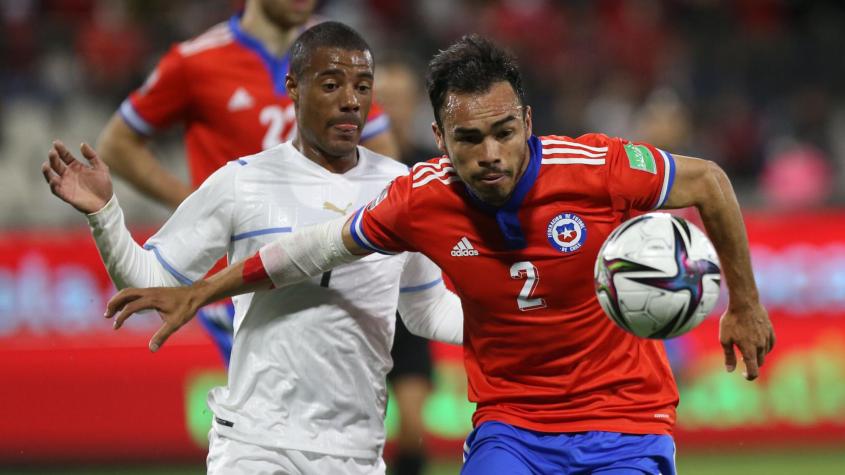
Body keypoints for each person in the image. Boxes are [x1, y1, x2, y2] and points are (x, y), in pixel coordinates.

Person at [104, 35, 775, 474]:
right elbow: (308, 251)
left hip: (625, 416)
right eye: (469, 138)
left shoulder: (595, 166)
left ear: (528, 123)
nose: (490, 155)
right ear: (438, 137)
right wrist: (203, 288)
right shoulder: (419, 197)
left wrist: (742, 302)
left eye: (505, 133)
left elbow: (710, 182)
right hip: (512, 425)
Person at [43, 22, 462, 474]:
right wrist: (104, 213)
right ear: (293, 87)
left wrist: (522, 320)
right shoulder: (242, 181)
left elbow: (424, 310)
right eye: (331, 84)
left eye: (362, 87)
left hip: (356, 453)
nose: (351, 101)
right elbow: (149, 281)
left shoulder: (402, 188)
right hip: (255, 445)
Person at [97, 0, 398, 363]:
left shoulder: (334, 54)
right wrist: (197, 203)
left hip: (320, 265)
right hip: (229, 280)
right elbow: (117, 144)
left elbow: (382, 151)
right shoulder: (195, 61)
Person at [375, 57, 441, 475]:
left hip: (410, 309)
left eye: (398, 99)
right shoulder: (348, 164)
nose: (389, 108)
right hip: (360, 304)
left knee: (413, 431)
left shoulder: (428, 164)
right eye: (382, 99)